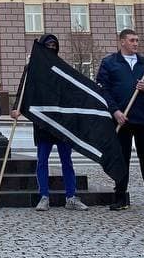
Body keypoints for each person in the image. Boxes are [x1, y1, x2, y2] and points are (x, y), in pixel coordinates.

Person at [8, 34, 87, 212]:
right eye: (48, 45)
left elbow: (72, 92)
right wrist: (16, 108)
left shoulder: (62, 67)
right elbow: (23, 90)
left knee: (66, 161)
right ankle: (44, 196)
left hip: (61, 123)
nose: (52, 48)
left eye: (54, 45)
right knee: (42, 161)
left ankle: (71, 196)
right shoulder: (32, 69)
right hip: (43, 123)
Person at [96, 27, 144, 212]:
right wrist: (115, 111)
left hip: (143, 118)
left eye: (137, 40)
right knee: (122, 158)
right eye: (132, 40)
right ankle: (120, 196)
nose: (136, 43)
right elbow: (103, 89)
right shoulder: (109, 63)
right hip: (121, 119)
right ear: (122, 42)